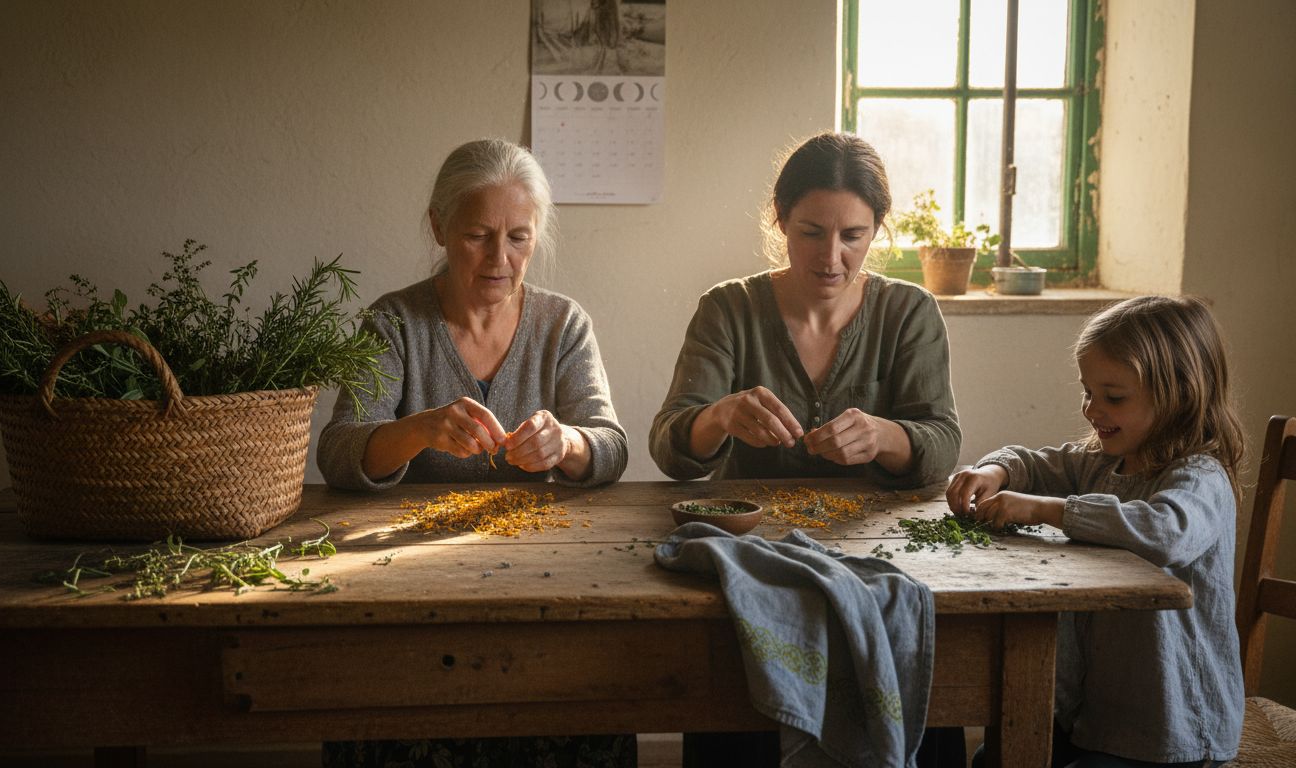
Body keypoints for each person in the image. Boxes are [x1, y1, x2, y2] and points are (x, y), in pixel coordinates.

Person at [648, 131, 963, 767]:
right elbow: (671, 447)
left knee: (933, 646)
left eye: (854, 235)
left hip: (877, 547)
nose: (832, 257)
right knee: (731, 706)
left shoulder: (909, 312)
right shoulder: (728, 309)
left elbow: (942, 442)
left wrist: (885, 436)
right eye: (811, 232)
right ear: (780, 222)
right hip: (754, 554)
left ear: (878, 230)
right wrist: (721, 416)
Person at [318, 137, 632, 767]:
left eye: (519, 237)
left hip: (538, 570)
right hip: (405, 573)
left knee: (589, 695)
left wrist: (565, 443)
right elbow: (337, 450)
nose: (500, 258)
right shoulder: (394, 322)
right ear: (439, 227)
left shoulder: (562, 324)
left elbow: (612, 446)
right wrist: (420, 429)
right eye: (478, 236)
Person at [947, 295, 1245, 768]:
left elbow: (1165, 532)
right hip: (1095, 718)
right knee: (991, 758)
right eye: (1087, 391)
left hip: (1173, 729)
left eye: (1114, 397)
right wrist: (995, 471)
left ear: (1181, 395)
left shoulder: (1200, 476)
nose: (1091, 409)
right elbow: (1036, 462)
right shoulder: (1104, 463)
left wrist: (1051, 510)